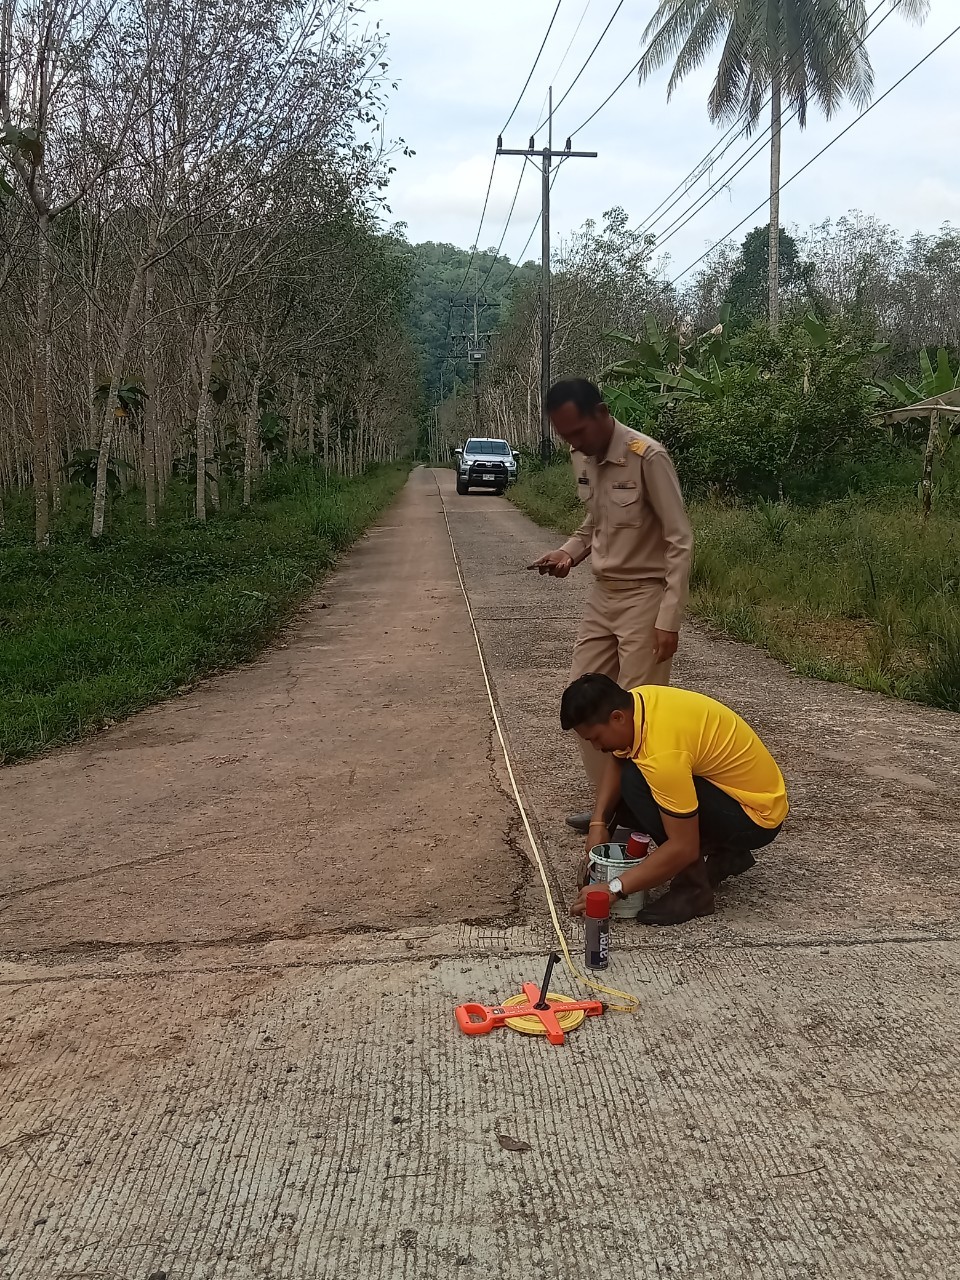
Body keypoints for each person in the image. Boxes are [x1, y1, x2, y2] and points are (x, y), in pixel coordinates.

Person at [529, 379, 692, 835]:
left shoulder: (648, 457)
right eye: (566, 437)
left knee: (635, 712)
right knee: (583, 702)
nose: (575, 444)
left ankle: (644, 816)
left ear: (602, 413)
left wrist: (669, 617)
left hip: (646, 595)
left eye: (579, 432)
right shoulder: (581, 455)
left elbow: (681, 539)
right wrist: (568, 553)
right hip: (603, 594)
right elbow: (594, 523)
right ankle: (612, 808)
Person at [560, 674, 788, 926]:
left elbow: (683, 846)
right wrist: (598, 822)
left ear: (617, 717)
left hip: (754, 818)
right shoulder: (639, 701)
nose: (595, 746)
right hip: (739, 794)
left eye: (595, 737)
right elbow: (619, 755)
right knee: (630, 784)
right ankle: (727, 853)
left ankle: (694, 891)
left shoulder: (663, 756)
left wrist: (613, 888)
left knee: (637, 785)